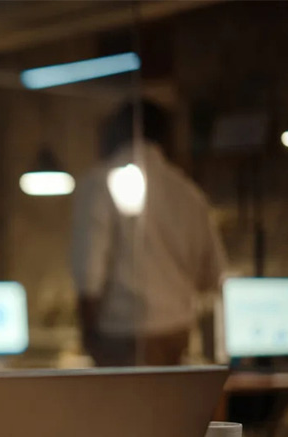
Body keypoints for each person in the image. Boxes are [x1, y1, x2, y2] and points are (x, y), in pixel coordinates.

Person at [71, 101, 227, 367]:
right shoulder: (188, 192)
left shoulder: (100, 183)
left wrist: (89, 338)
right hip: (176, 332)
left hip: (121, 336)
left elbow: (89, 272)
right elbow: (211, 274)